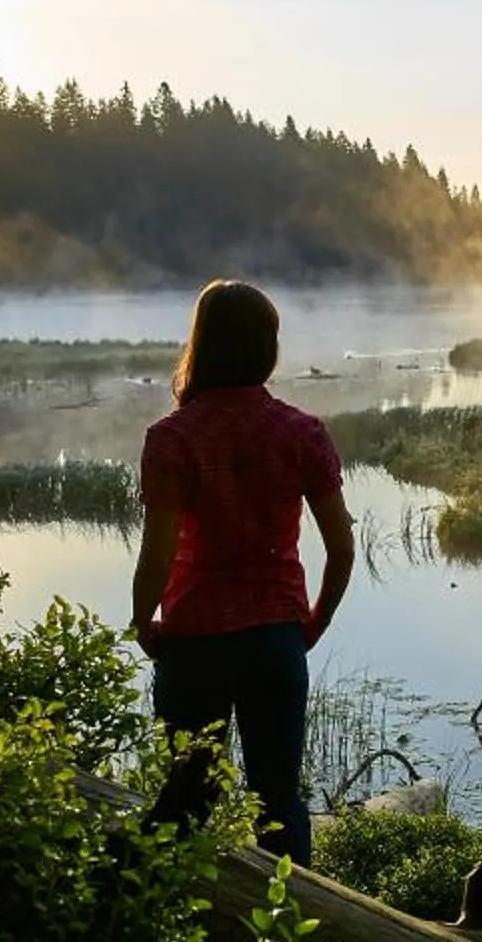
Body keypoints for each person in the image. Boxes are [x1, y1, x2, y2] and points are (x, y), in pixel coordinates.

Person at [130, 279, 353, 863]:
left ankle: (176, 929)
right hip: (275, 640)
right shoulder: (301, 433)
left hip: (193, 640)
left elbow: (156, 555)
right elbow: (343, 548)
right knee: (279, 804)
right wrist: (312, 623)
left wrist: (142, 622)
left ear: (201, 344)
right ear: (266, 347)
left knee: (184, 801)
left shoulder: (170, 438)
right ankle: (289, 939)